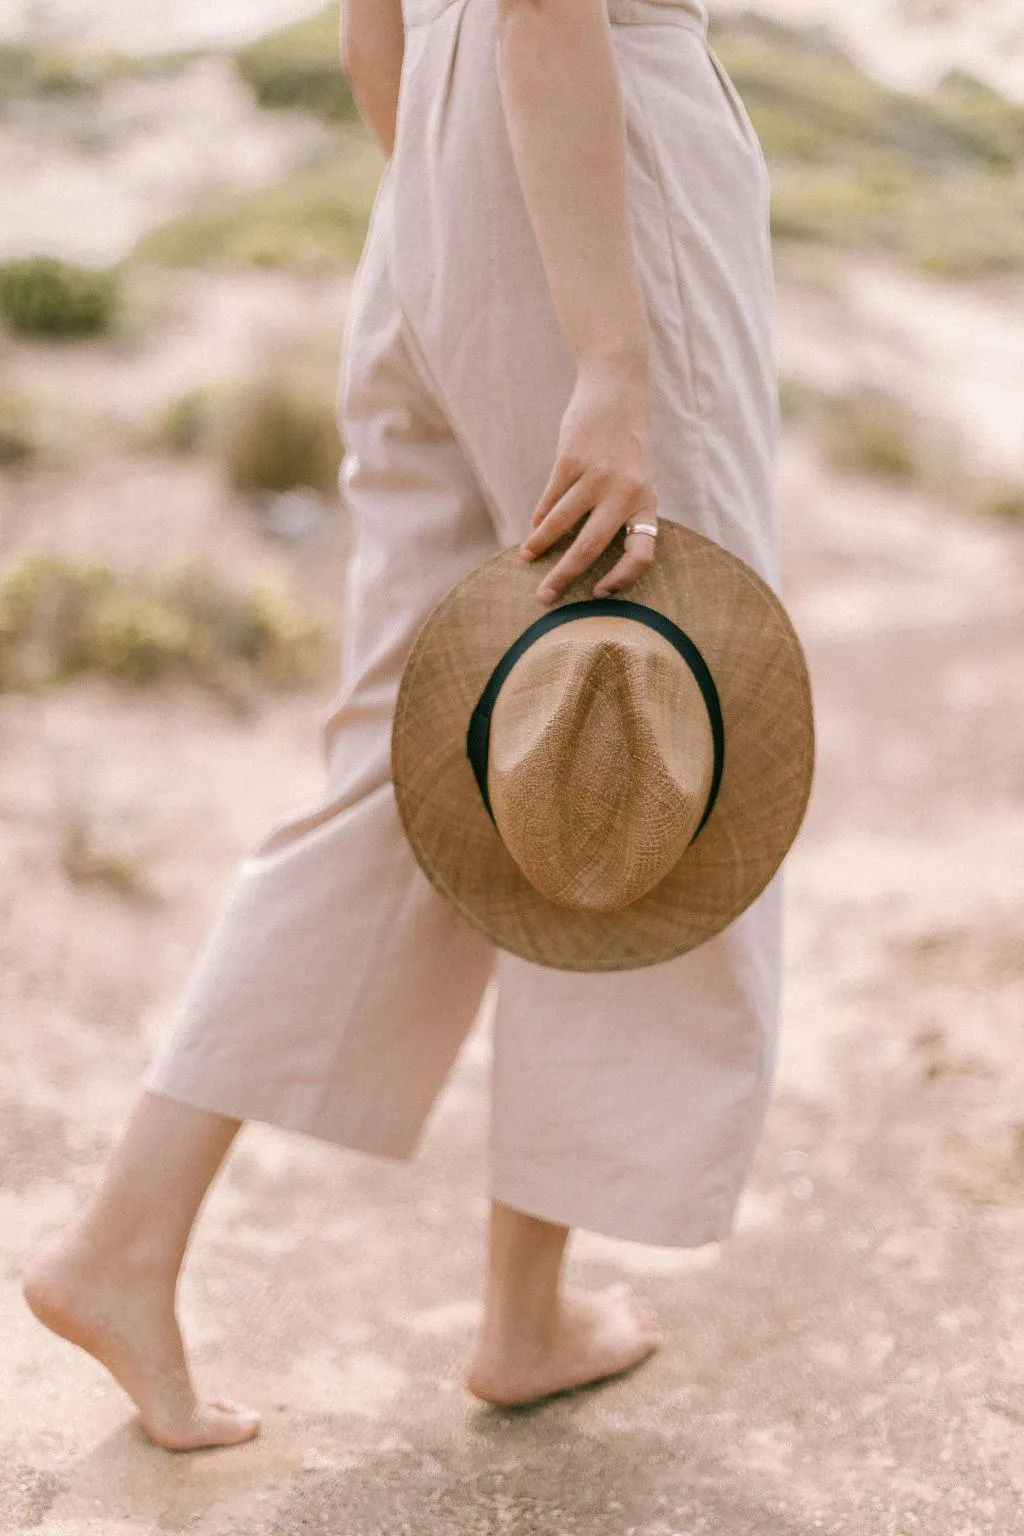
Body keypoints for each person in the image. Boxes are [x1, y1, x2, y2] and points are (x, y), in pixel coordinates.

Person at [22, 0, 782, 1451]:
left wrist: (450, 222)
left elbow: (378, 25)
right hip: (587, 159)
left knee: (410, 753)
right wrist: (608, 363)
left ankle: (125, 1241)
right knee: (639, 726)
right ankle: (524, 1315)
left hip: (438, 182)